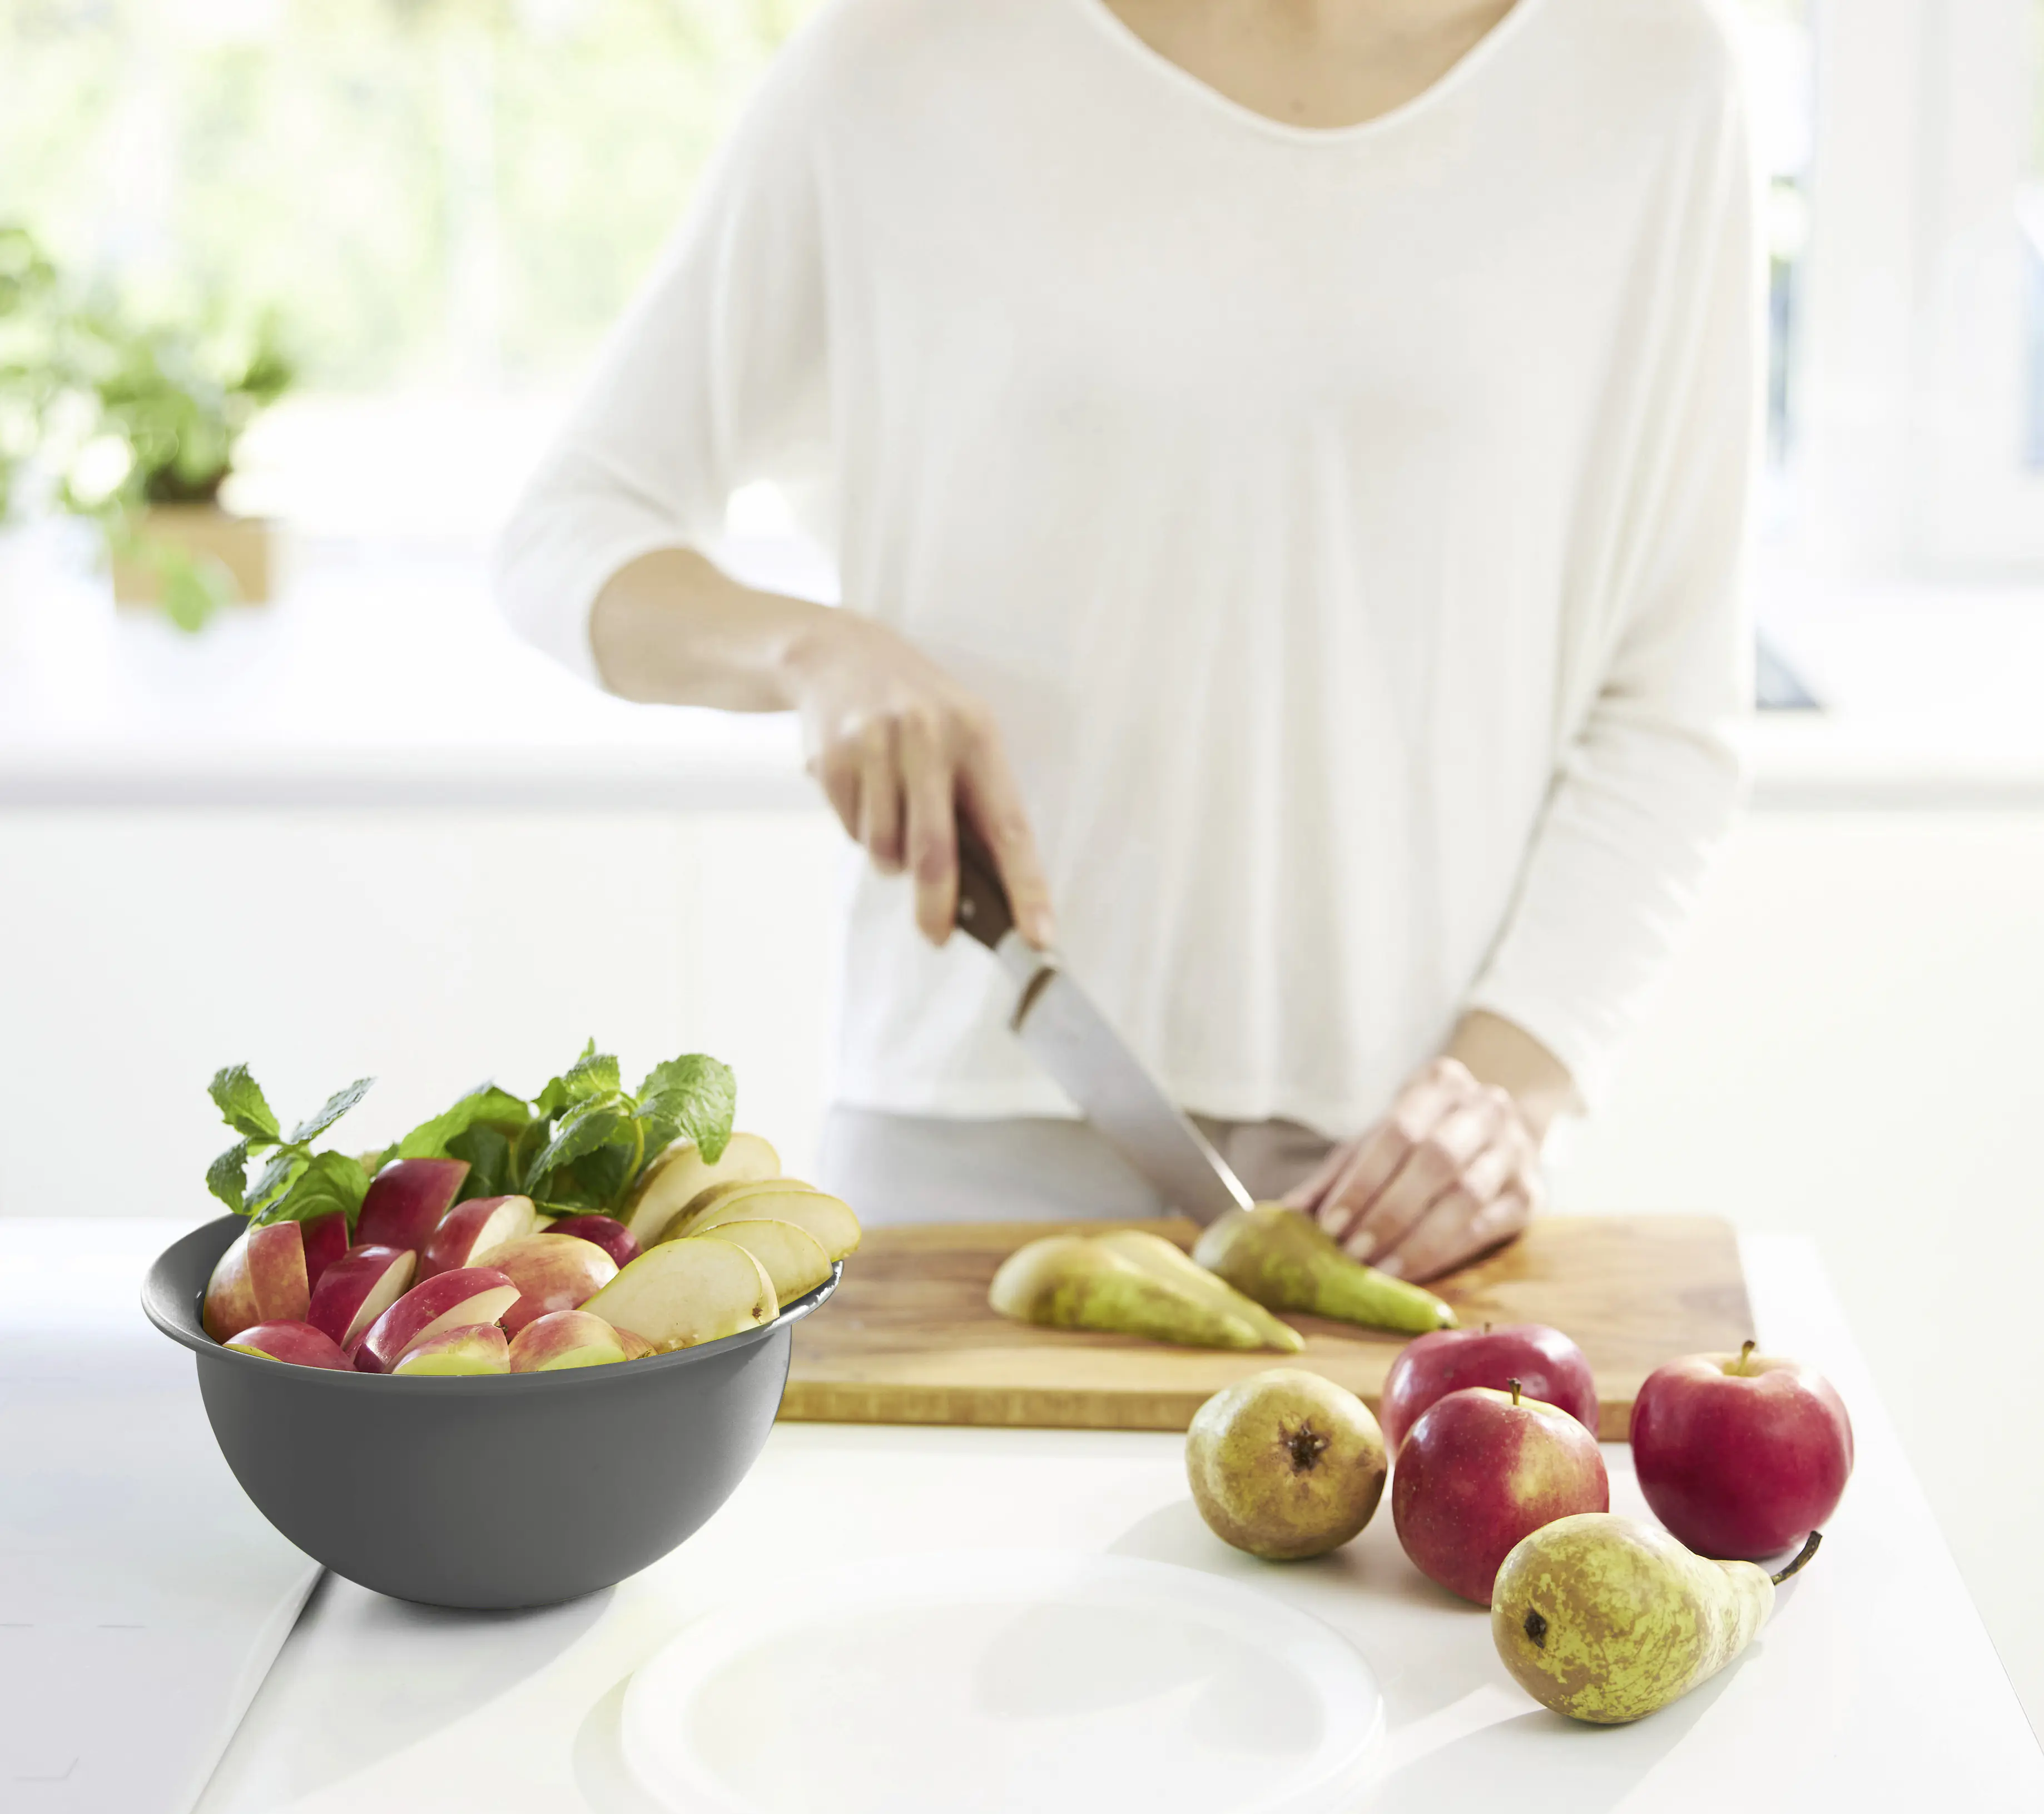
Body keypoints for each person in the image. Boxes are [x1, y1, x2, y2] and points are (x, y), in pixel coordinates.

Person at [497, 0, 1757, 1280]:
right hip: (966, 1141)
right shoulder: (898, 60)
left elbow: (1667, 708)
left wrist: (1505, 1092)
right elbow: (568, 529)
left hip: (1406, 1182)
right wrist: (812, 655)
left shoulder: (1648, 77)